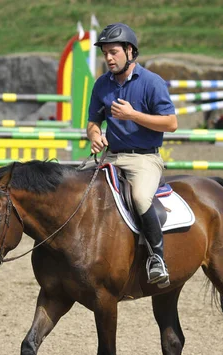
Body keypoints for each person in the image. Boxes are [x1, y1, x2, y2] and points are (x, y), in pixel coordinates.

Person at [86, 22, 177, 286]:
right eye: (105, 53)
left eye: (113, 52)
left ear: (129, 50)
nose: (108, 58)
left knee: (139, 197)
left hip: (144, 159)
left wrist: (132, 115)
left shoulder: (152, 83)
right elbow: (93, 123)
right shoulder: (101, 85)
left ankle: (157, 258)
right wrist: (94, 136)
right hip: (112, 156)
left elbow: (171, 123)